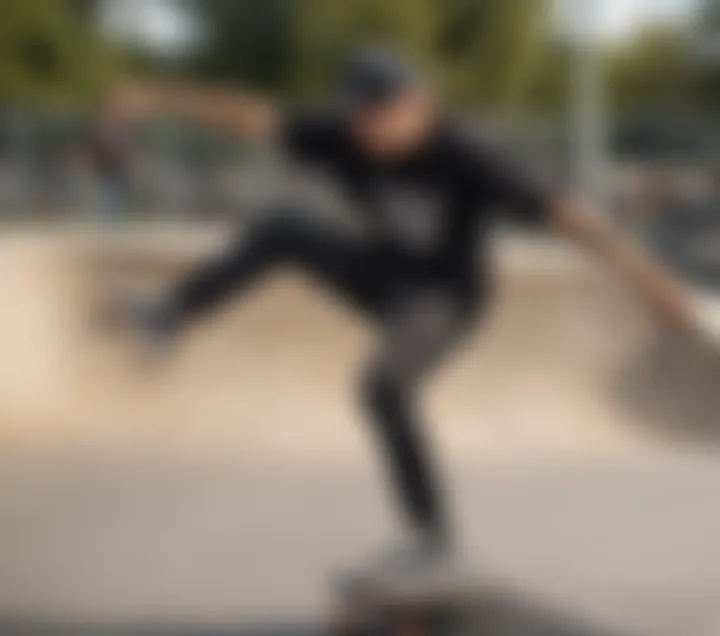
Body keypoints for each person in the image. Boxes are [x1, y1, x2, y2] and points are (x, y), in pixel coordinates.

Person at [111, 48, 720, 576]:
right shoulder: (344, 135)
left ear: (420, 105)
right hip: (381, 279)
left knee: (384, 388)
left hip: (448, 300)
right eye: (360, 117)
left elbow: (568, 217)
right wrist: (158, 96)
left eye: (382, 118)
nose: (369, 131)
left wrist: (649, 279)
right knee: (283, 228)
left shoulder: (469, 156)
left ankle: (432, 541)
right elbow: (253, 118)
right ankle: (169, 317)